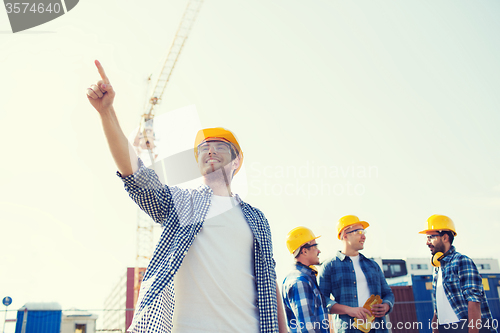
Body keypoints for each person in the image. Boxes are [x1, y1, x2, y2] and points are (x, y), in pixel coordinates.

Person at [86, 60, 287, 333]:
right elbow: (135, 174)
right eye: (203, 148)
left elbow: (268, 278)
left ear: (237, 161)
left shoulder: (257, 218)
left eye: (219, 146)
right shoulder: (182, 203)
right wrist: (107, 113)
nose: (210, 151)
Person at [420, 214, 498, 333]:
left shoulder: (462, 261)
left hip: (467, 327)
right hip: (447, 328)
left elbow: (474, 302)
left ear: (445, 237)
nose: (427, 242)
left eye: (431, 237)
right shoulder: (437, 268)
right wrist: (435, 327)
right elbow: (439, 305)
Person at [318, 215, 394, 333]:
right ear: (345, 235)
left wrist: (386, 306)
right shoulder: (329, 266)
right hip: (349, 329)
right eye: (358, 232)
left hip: (378, 328)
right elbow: (322, 300)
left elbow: (388, 293)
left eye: (364, 232)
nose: (363, 236)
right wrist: (349, 310)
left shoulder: (373, 265)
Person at [282, 227, 329, 333]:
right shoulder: (300, 282)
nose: (319, 251)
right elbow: (308, 328)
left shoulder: (303, 278)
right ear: (304, 251)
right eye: (315, 246)